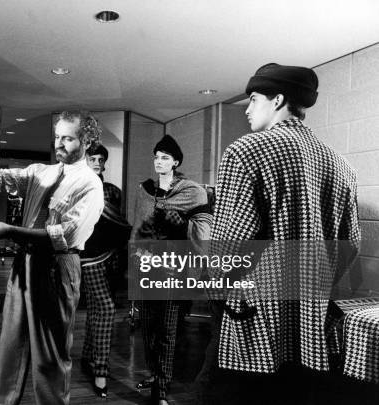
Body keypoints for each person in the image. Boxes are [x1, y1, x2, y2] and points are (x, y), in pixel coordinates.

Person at [200, 63, 361, 404]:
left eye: (254, 99)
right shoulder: (341, 164)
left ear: (278, 100)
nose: (247, 108)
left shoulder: (246, 151)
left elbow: (229, 252)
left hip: (252, 324)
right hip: (310, 327)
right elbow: (351, 246)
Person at [0, 110, 104, 405]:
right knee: (9, 348)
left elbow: (64, 235)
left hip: (57, 266)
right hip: (24, 263)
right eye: (57, 137)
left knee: (50, 355)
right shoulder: (41, 172)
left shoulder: (91, 185)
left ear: (86, 141)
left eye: (67, 138)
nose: (60, 143)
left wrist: (9, 231)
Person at [130, 135, 212, 405]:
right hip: (148, 268)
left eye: (165, 157)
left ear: (176, 162)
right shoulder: (144, 190)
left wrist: (181, 226)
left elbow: (204, 232)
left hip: (175, 270)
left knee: (167, 331)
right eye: (156, 157)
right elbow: (137, 231)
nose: (159, 161)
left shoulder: (192, 191)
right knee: (148, 330)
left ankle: (161, 390)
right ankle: (155, 375)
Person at [80, 144, 130, 397]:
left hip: (111, 258)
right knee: (106, 309)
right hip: (87, 259)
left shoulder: (112, 191)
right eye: (93, 158)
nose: (98, 162)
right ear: (85, 160)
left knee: (97, 310)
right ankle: (100, 371)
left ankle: (88, 357)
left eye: (101, 159)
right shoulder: (78, 187)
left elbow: (118, 225)